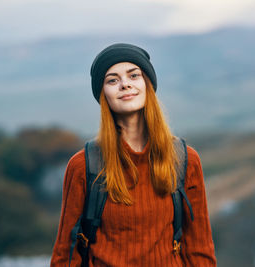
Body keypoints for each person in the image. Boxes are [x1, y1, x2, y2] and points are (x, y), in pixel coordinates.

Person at [50, 43, 217, 266]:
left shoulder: (185, 160)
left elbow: (199, 250)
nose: (125, 84)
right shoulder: (84, 166)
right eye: (112, 80)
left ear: (147, 84)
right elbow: (65, 255)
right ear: (104, 95)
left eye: (134, 75)